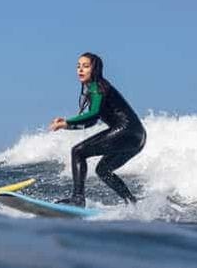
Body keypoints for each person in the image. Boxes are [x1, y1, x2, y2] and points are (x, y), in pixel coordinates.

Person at [49, 52, 146, 206]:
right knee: (103, 170)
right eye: (78, 66)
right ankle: (132, 203)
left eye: (86, 66)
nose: (80, 70)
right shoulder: (98, 87)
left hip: (126, 130)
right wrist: (67, 126)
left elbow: (92, 113)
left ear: (95, 69)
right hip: (138, 137)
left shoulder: (97, 86)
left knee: (78, 151)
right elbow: (92, 121)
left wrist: (66, 121)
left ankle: (78, 199)